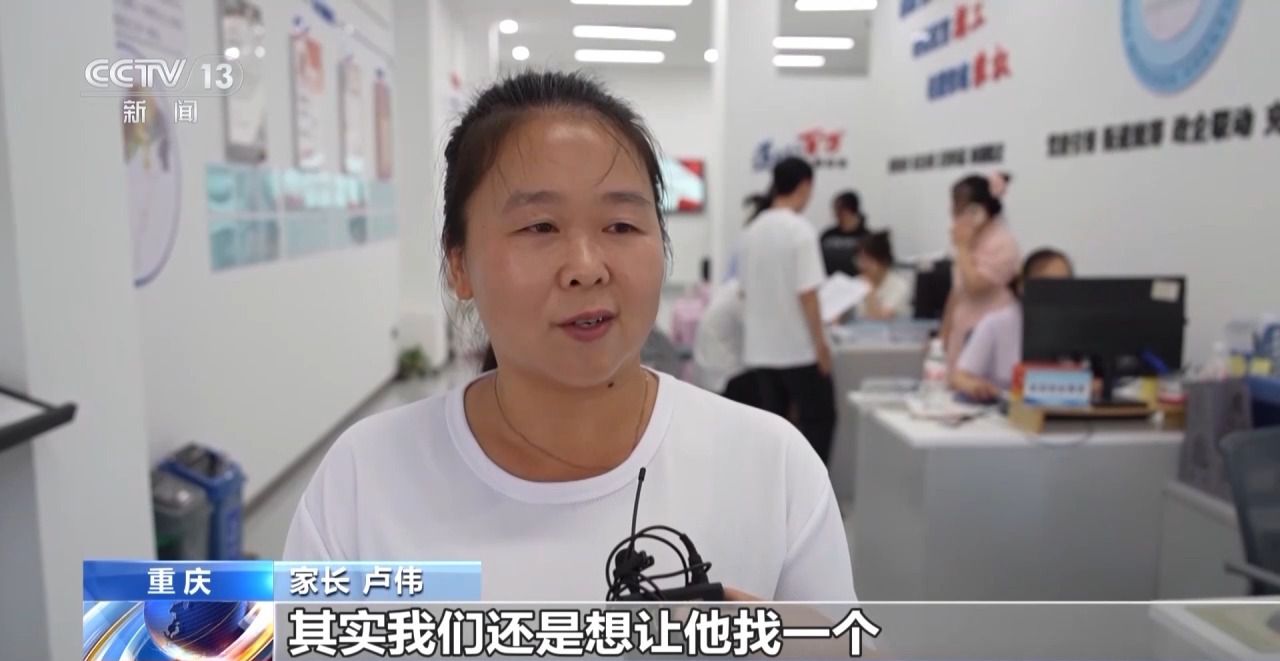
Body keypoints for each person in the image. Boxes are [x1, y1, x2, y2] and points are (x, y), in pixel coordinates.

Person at [282, 71, 855, 604]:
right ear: (459, 263)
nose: (586, 267)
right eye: (540, 226)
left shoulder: (772, 466)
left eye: (621, 225)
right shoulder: (366, 477)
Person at [739, 157, 837, 464]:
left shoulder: (751, 231)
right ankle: (813, 488)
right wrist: (821, 345)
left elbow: (743, 291)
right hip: (798, 351)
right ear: (805, 186)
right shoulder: (800, 231)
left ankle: (776, 492)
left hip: (760, 352)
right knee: (819, 422)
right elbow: (808, 294)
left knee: (773, 433)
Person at [951, 248, 1074, 401]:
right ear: (1022, 286)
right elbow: (959, 377)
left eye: (1065, 283)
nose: (1058, 292)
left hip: (1064, 411)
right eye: (1048, 284)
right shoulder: (995, 324)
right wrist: (976, 387)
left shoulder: (1073, 327)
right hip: (1004, 410)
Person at [939, 173, 1021, 371]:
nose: (953, 213)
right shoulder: (970, 240)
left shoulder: (1003, 243)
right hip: (962, 333)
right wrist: (943, 335)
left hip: (989, 337)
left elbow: (975, 286)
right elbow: (958, 291)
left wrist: (962, 247)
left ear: (978, 211)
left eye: (960, 206)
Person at [692, 279, 758, 406]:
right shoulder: (740, 296)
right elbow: (756, 335)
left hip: (708, 375)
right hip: (726, 377)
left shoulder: (728, 290)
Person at [854, 231, 911, 321]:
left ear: (883, 261)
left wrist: (870, 292)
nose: (862, 265)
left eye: (867, 260)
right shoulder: (855, 283)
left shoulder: (899, 286)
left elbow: (879, 319)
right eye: (859, 259)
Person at [820, 190, 870, 277]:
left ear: (850, 210)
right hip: (829, 283)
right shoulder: (827, 236)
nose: (836, 214)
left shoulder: (868, 239)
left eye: (840, 210)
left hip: (858, 283)